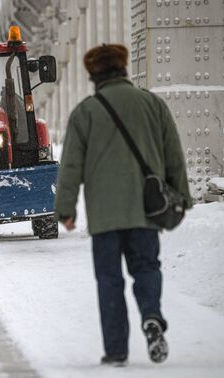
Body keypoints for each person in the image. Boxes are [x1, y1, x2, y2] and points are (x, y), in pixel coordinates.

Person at [55, 44, 192, 367]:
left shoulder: (85, 112)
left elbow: (71, 165)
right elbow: (174, 154)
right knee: (146, 268)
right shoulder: (152, 104)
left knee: (109, 280)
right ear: (124, 69)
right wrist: (182, 195)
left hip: (105, 216)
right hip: (146, 209)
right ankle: (152, 316)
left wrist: (66, 208)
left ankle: (116, 350)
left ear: (94, 76)